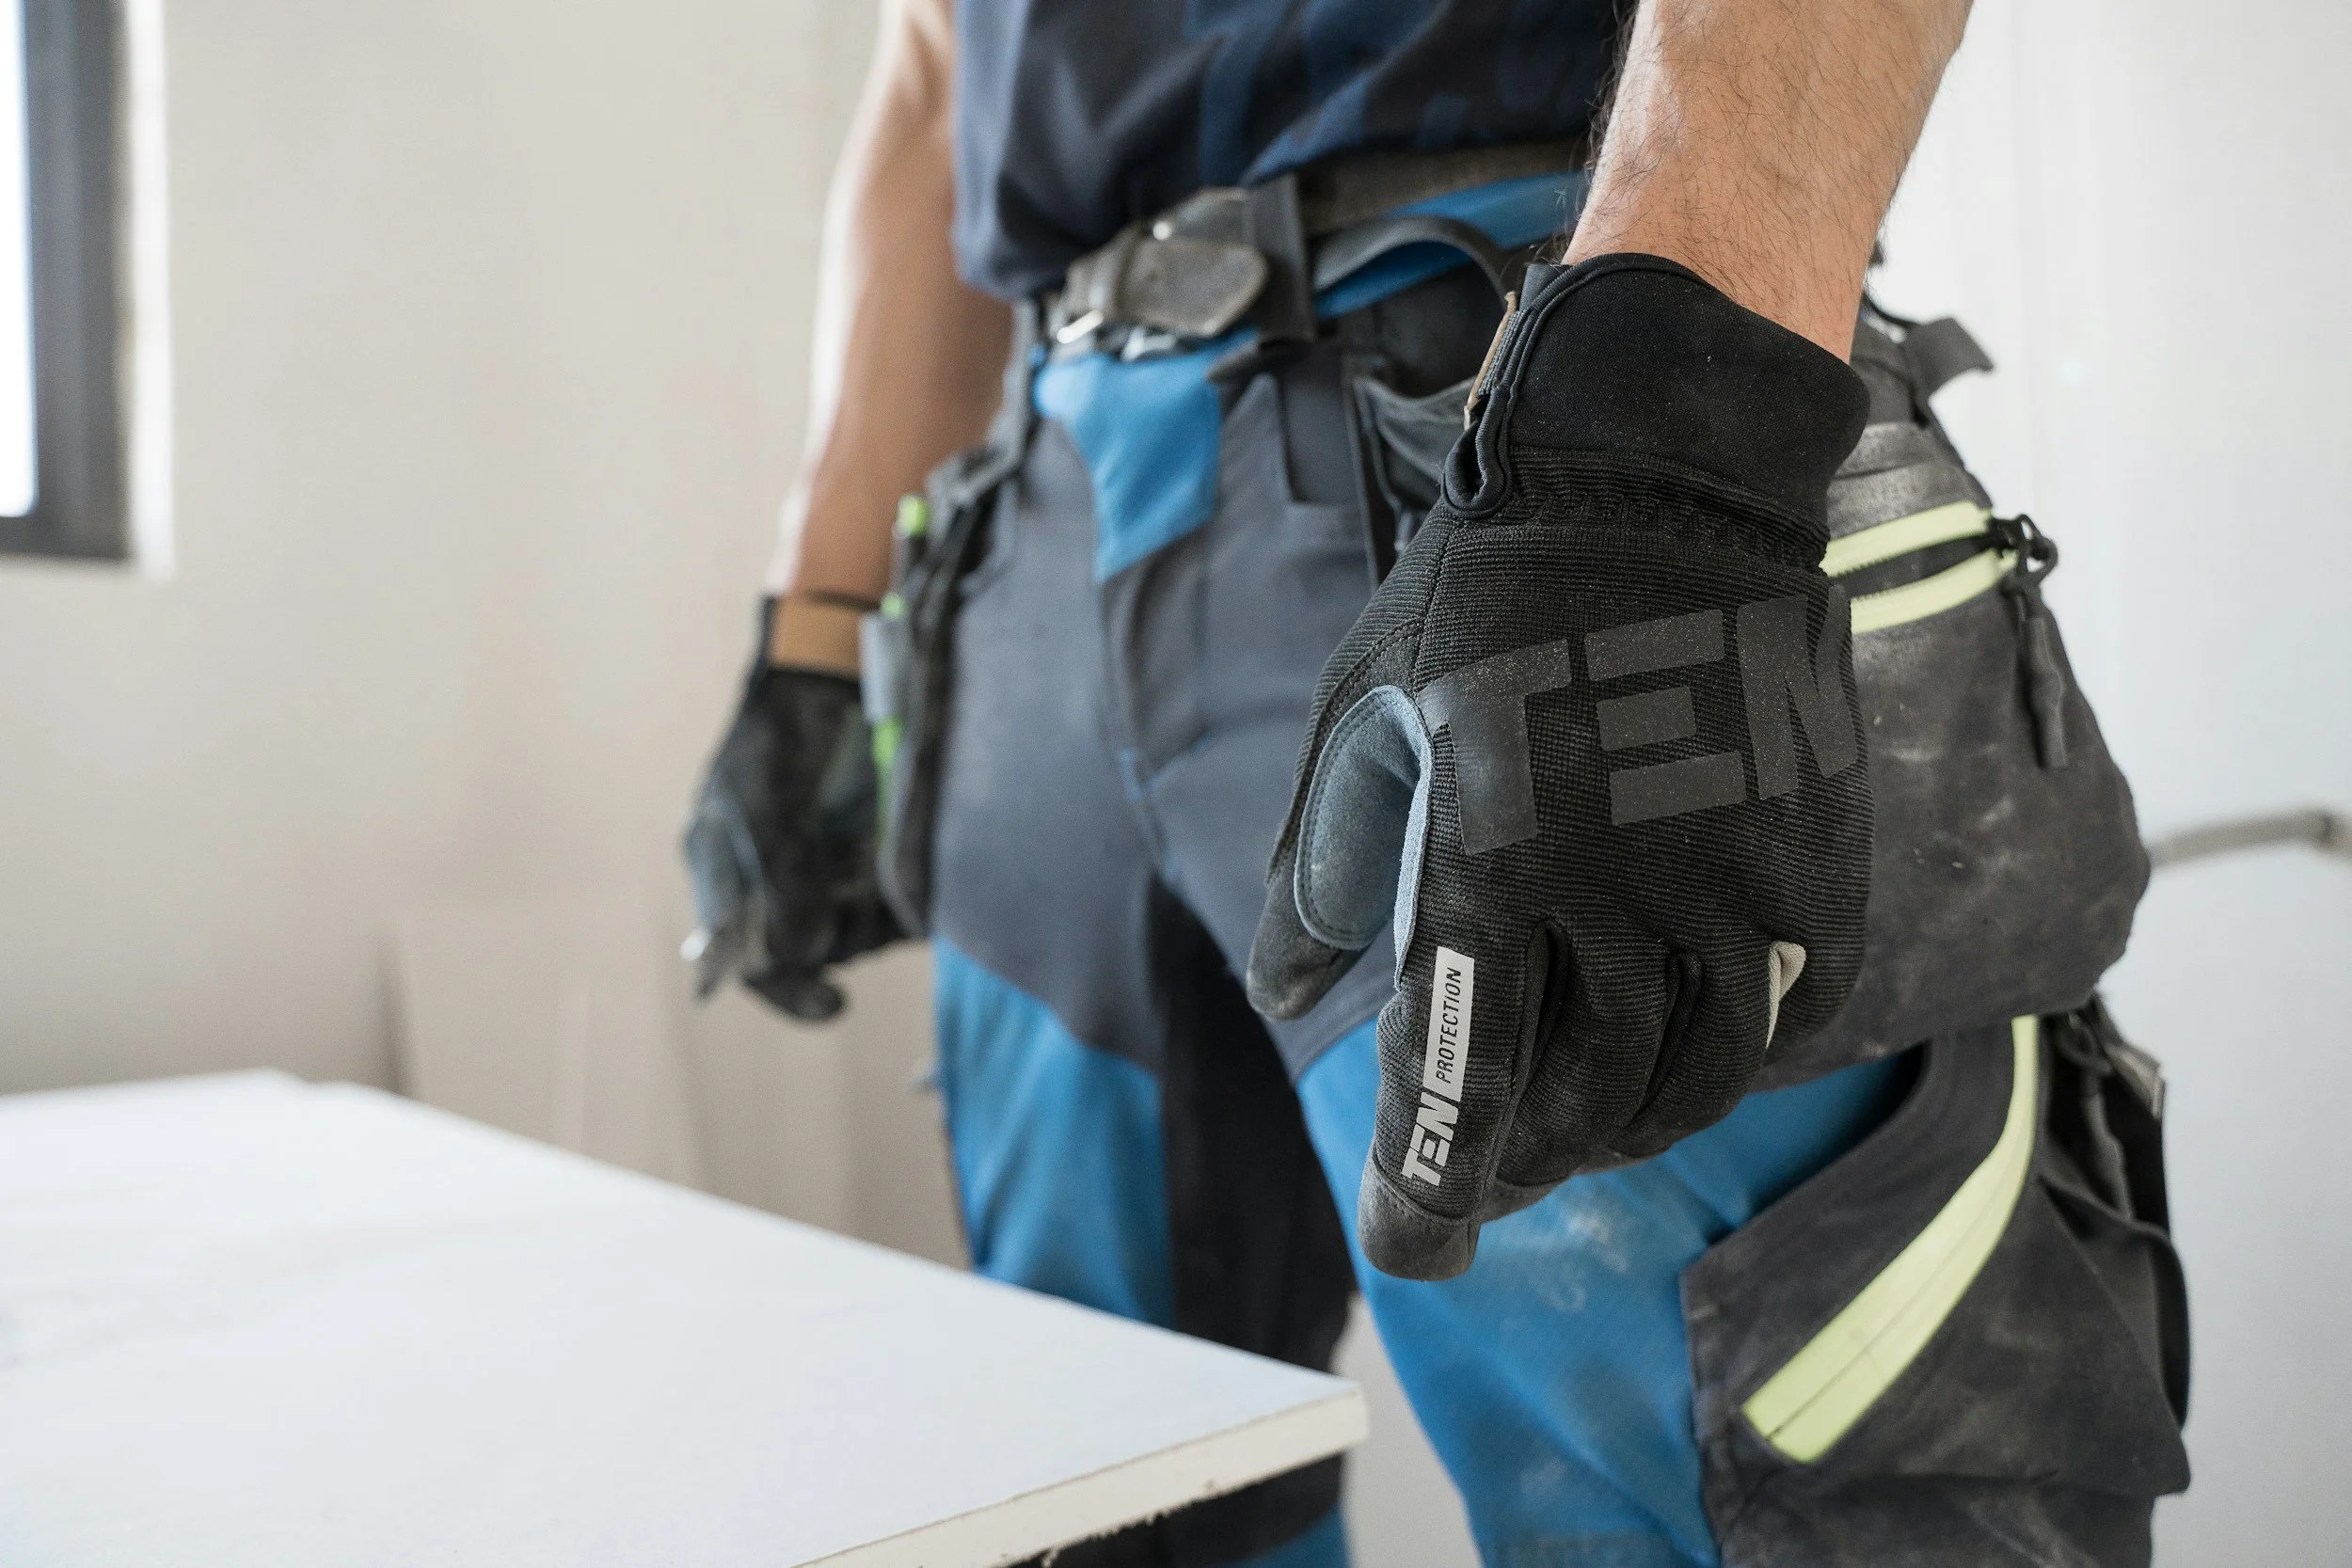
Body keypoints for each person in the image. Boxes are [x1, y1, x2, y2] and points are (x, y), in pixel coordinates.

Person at [684, 2, 2191, 1563]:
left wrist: (1656, 440)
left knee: (1770, 1504)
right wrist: (821, 623)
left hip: (1521, 420)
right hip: (1045, 528)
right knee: (1098, 1491)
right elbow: (936, 55)